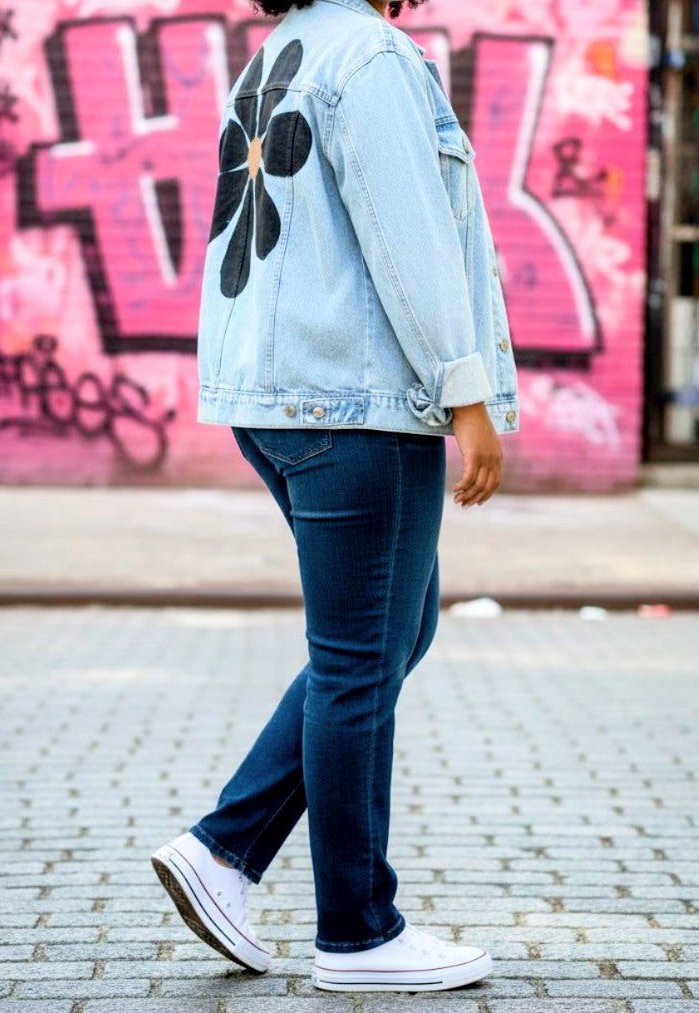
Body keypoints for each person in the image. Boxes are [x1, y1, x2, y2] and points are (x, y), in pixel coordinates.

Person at [152, 0, 519, 992]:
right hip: (356, 401)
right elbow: (412, 243)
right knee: (361, 660)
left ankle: (225, 847)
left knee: (388, 638)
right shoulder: (373, 57)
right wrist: (466, 390)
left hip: (278, 395)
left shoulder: (279, 51)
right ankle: (357, 931)